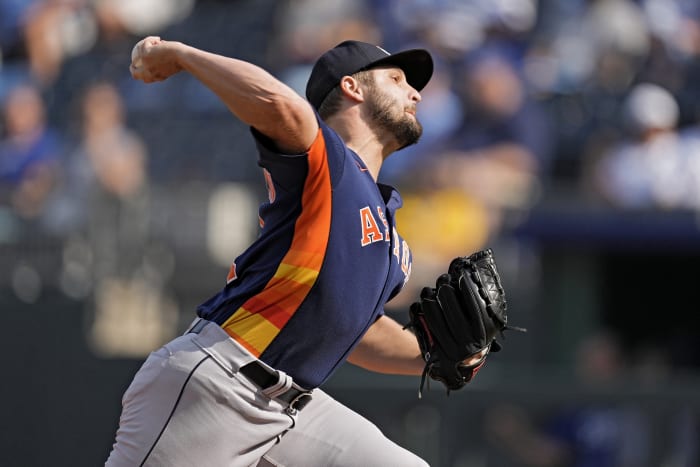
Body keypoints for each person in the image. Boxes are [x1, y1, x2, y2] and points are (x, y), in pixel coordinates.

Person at [106, 36, 488, 466]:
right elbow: (278, 104)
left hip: (292, 412)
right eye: (397, 79)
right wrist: (182, 56)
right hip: (219, 384)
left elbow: (354, 329)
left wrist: (439, 354)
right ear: (352, 88)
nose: (415, 93)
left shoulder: (386, 228)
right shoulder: (330, 162)